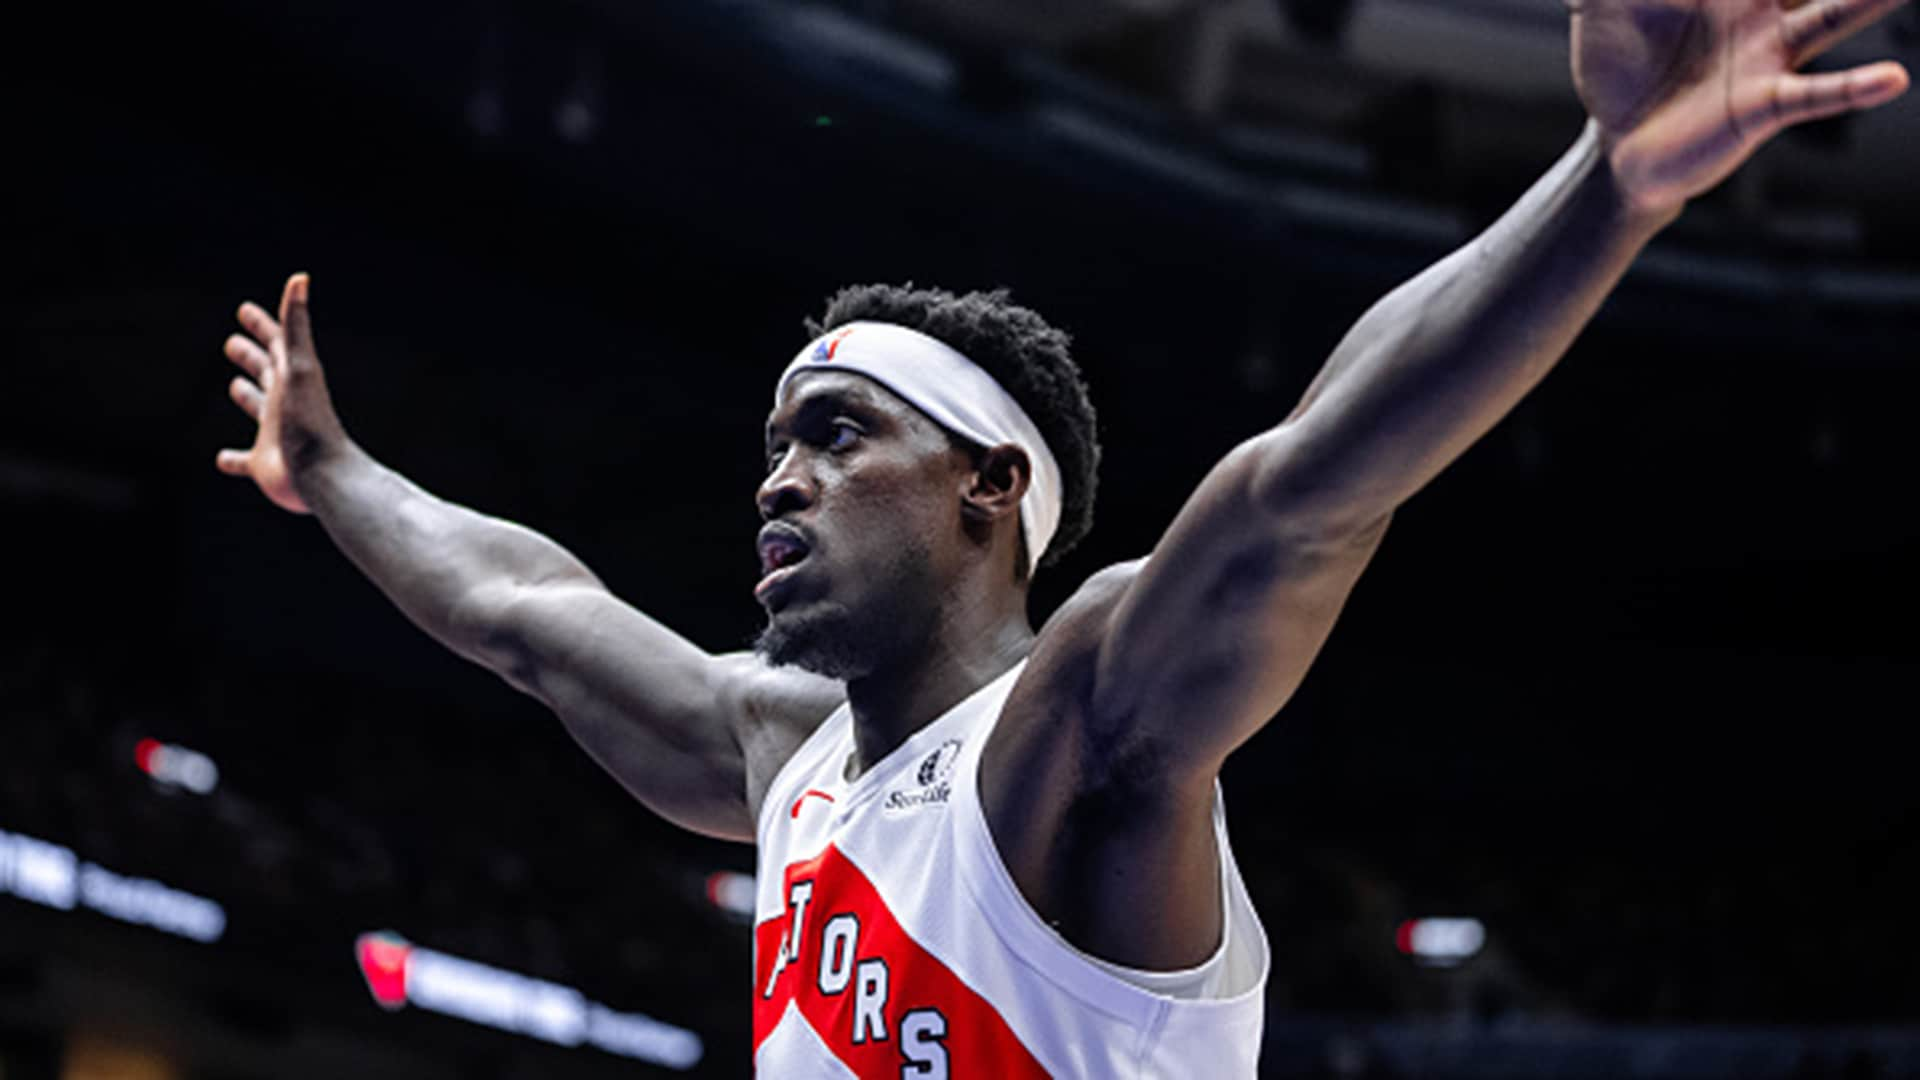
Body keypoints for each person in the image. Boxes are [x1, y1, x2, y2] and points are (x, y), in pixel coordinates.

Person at [213, 2, 1909, 1074]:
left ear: (989, 486)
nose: (775, 481)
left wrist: (1612, 186)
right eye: (773, 445)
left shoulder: (1081, 725)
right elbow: (521, 605)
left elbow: (1315, 482)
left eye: (834, 433)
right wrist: (330, 466)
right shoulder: (787, 759)